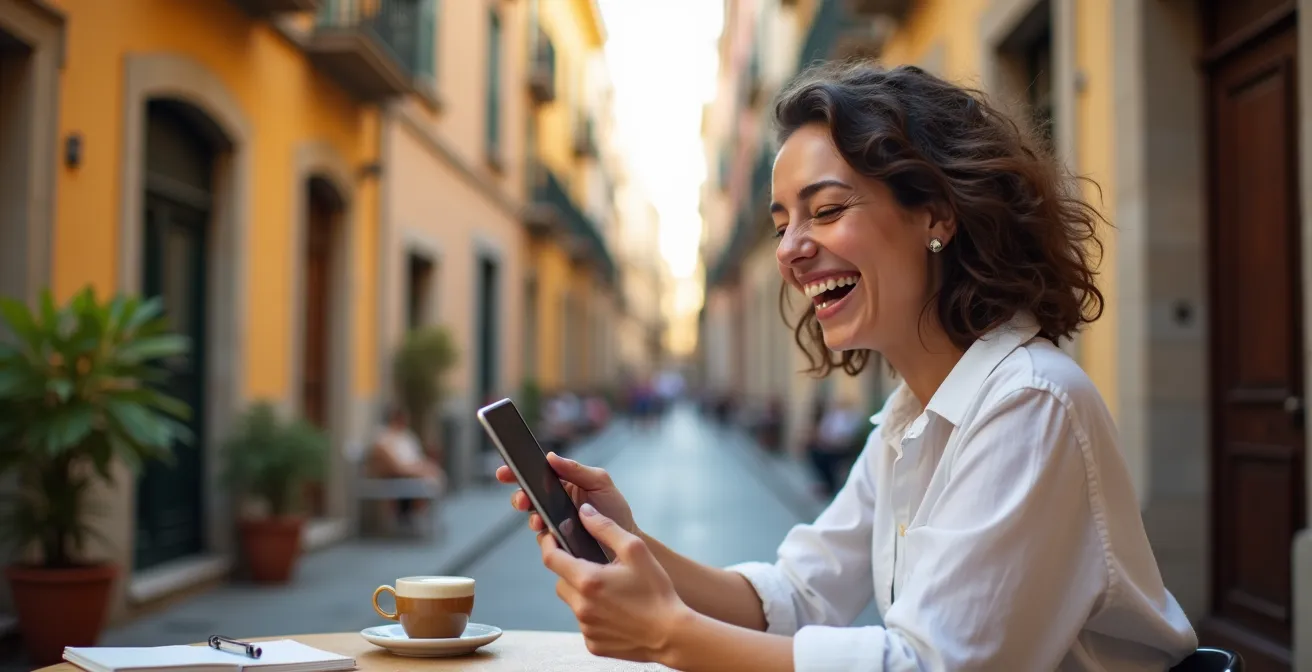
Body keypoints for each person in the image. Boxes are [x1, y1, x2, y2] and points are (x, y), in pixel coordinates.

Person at [496, 61, 1198, 671]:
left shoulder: (1029, 402)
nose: (789, 250)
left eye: (827, 210)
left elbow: (926, 666)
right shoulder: (910, 417)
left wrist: (667, 636)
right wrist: (627, 541)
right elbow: (796, 596)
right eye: (781, 225)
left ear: (937, 214)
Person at [367, 405, 445, 521]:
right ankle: (412, 516)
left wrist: (424, 468)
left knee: (432, 475)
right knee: (424, 479)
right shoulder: (383, 438)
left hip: (410, 471)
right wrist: (416, 470)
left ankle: (418, 515)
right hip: (397, 475)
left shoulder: (407, 437)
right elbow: (395, 465)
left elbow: (416, 457)